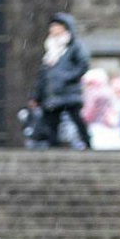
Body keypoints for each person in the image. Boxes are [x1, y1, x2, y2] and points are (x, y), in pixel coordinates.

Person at [30, 12, 90, 150]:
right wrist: (36, 95)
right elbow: (43, 75)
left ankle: (87, 142)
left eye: (57, 26)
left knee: (76, 119)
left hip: (68, 91)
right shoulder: (50, 49)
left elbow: (83, 64)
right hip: (52, 94)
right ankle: (53, 146)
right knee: (51, 122)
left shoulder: (74, 47)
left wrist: (66, 77)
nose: (53, 29)